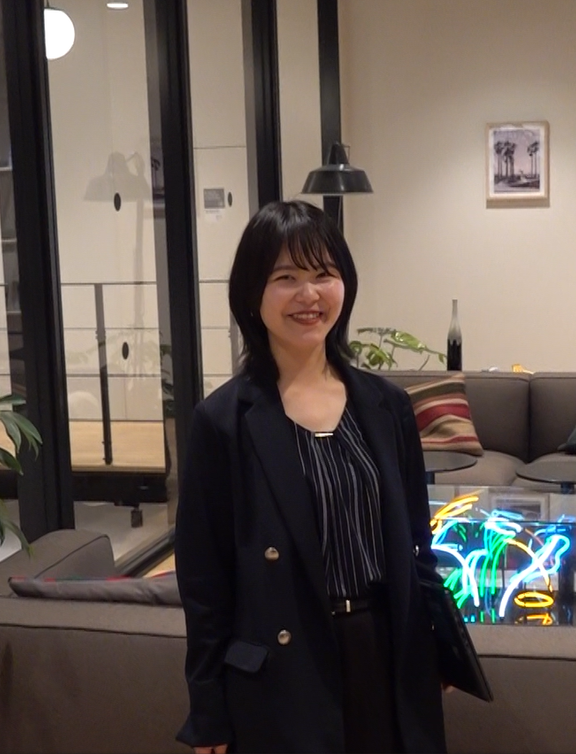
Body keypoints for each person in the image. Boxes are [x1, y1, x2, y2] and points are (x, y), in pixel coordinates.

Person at [174, 200, 448, 753]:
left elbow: (417, 546)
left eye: (324, 274)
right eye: (286, 278)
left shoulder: (387, 406)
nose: (309, 294)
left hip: (386, 654)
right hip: (283, 672)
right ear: (253, 294)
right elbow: (204, 583)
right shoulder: (223, 421)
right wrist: (208, 711)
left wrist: (435, 645)